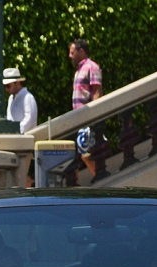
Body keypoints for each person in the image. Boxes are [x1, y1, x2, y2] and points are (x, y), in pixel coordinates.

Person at [69, 39, 103, 177]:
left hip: (88, 119)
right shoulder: (78, 71)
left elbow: (97, 92)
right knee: (78, 156)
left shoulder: (91, 67)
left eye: (72, 53)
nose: (70, 56)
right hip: (78, 121)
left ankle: (100, 179)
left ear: (81, 51)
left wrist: (94, 117)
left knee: (86, 155)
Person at [2, 67, 38, 133]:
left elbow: (30, 119)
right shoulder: (11, 98)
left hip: (24, 140)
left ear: (18, 83)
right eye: (5, 86)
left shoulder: (28, 97)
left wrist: (16, 132)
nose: (6, 89)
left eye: (8, 86)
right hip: (13, 138)